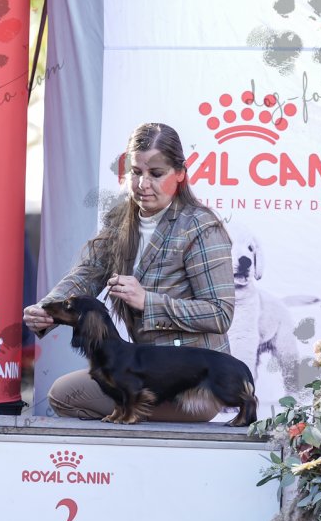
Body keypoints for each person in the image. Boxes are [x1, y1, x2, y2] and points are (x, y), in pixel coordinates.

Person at [23, 122, 235, 421]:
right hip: (142, 372)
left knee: (65, 394)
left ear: (180, 174)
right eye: (136, 172)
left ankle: (138, 429)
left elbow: (220, 313)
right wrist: (47, 309)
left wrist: (148, 301)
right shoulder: (121, 218)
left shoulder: (201, 227)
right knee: (68, 393)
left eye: (156, 174)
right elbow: (88, 273)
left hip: (194, 386)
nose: (143, 184)